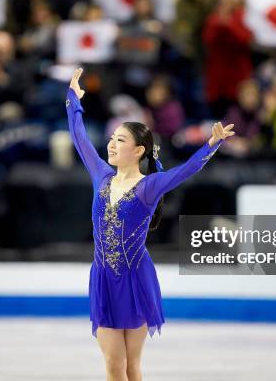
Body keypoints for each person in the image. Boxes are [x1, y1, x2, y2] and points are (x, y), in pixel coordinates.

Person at [66, 68, 234, 381]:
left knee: (131, 367)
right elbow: (79, 136)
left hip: (135, 278)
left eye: (120, 140)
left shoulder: (149, 186)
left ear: (139, 150)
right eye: (113, 138)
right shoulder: (101, 176)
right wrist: (73, 98)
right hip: (103, 278)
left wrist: (212, 144)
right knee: (114, 366)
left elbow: (185, 171)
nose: (112, 144)